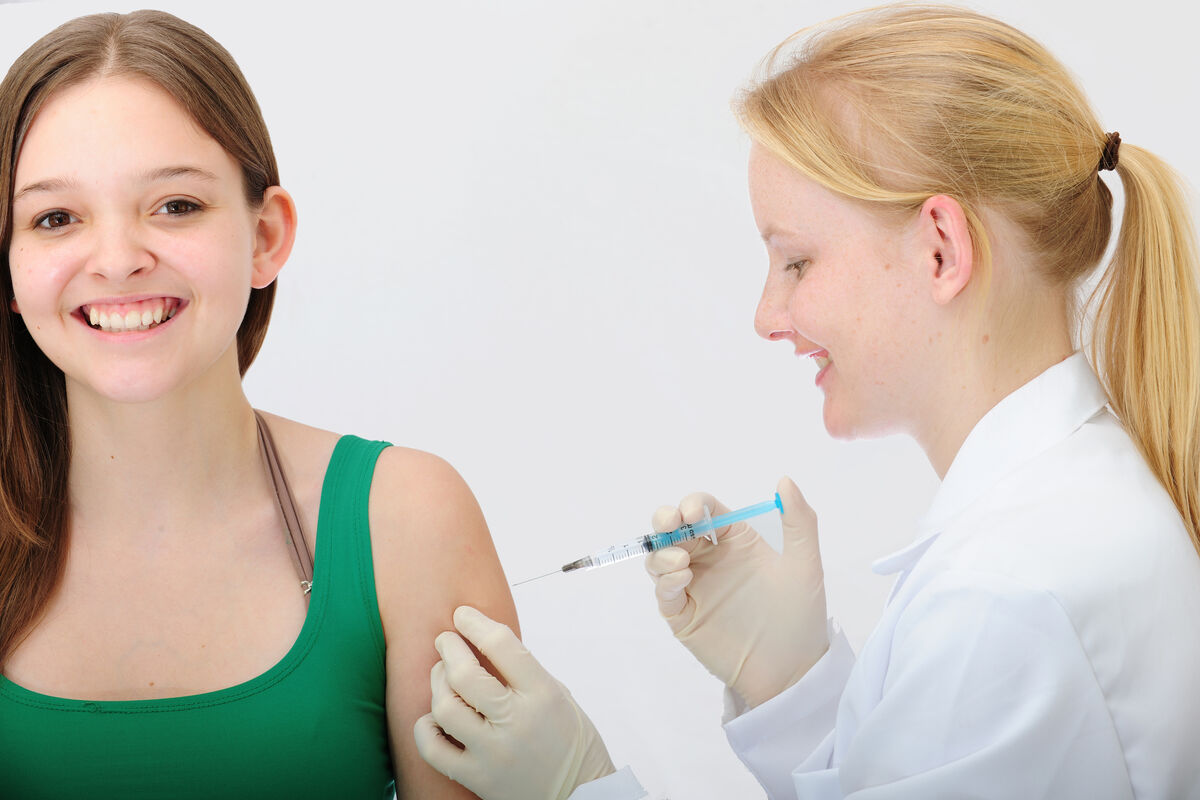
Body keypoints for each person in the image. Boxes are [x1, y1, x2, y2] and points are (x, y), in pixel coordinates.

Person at [414, 5, 1200, 798]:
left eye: (796, 262)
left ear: (941, 250)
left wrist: (576, 785)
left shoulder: (1005, 599)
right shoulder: (1076, 512)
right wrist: (792, 686)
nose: (766, 317)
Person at [0, 10, 516, 798]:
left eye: (175, 205)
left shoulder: (405, 520)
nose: (117, 260)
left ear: (267, 235)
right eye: (55, 218)